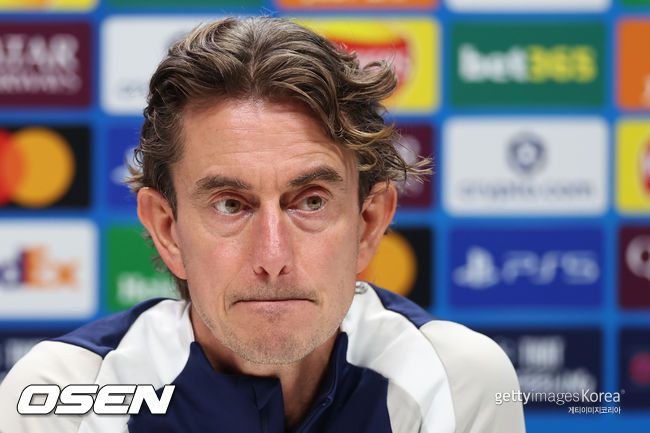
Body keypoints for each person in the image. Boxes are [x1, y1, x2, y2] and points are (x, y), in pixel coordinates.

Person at [0, 17, 525, 433]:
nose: (273, 256)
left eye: (311, 201)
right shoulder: (64, 397)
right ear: (168, 230)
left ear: (369, 224)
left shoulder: (452, 379)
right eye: (231, 205)